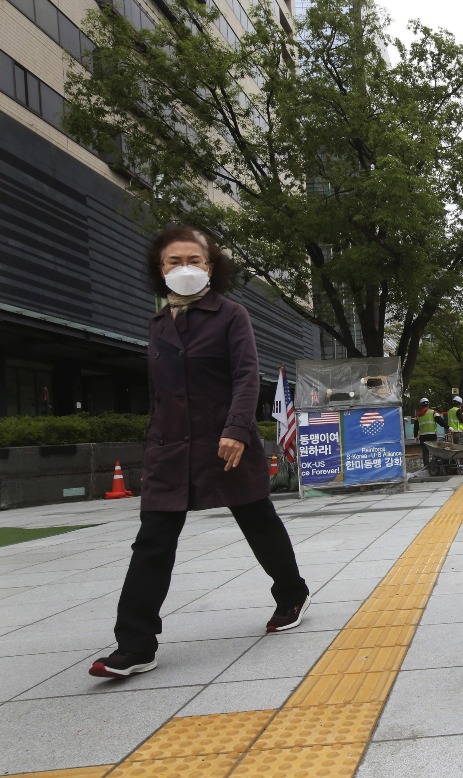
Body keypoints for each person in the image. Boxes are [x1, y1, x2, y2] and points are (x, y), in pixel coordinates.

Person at [90, 227, 310, 679]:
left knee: (258, 520)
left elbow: (248, 377)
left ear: (211, 267)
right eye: (174, 261)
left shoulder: (231, 315)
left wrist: (236, 429)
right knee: (152, 539)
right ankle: (135, 644)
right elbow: (160, 394)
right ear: (160, 269)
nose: (185, 268)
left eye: (196, 259)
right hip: (170, 449)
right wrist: (153, 441)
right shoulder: (156, 324)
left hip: (225, 443)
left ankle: (292, 593)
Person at [416, 398, 446, 470]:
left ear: (421, 405)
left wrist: (415, 435)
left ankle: (427, 467)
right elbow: (440, 421)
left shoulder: (418, 415)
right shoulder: (433, 412)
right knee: (434, 451)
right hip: (432, 435)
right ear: (428, 404)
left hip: (422, 436)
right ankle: (436, 466)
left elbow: (416, 426)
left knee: (425, 452)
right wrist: (447, 427)